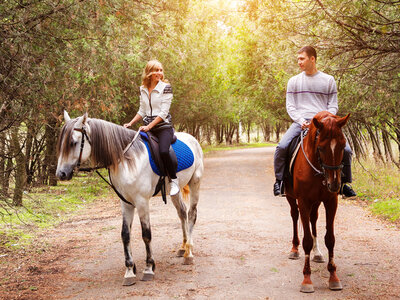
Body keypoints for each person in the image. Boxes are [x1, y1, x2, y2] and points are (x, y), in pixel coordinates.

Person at [273, 46, 356, 198]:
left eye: (302, 58)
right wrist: (301, 120)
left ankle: (345, 184)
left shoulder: (328, 80)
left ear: (312, 59)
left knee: (347, 150)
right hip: (301, 123)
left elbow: (333, 105)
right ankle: (280, 181)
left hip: (324, 124)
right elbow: (290, 106)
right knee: (282, 147)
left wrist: (325, 119)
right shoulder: (293, 81)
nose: (299, 62)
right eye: (298, 59)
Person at [124, 60, 179, 196]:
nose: (159, 73)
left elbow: (163, 113)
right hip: (147, 127)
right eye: (156, 70)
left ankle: (174, 180)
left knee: (164, 151)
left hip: (163, 127)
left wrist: (148, 126)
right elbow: (142, 110)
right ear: (149, 72)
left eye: (161, 70)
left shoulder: (165, 87)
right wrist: (130, 123)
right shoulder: (142, 89)